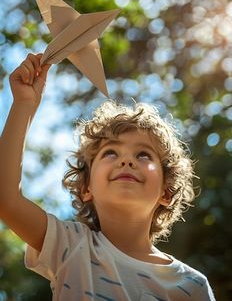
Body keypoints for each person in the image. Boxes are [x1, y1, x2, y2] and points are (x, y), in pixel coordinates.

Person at [0, 53, 216, 301]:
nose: (127, 160)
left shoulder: (192, 286)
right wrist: (23, 105)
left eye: (144, 155)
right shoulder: (70, 245)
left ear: (166, 191)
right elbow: (7, 200)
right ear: (87, 187)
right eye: (111, 152)